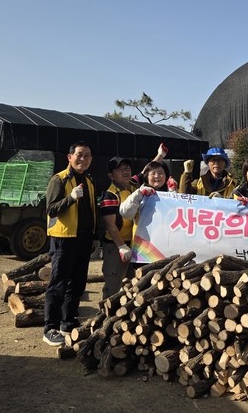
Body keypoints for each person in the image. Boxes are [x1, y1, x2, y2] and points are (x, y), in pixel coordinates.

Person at [42, 141, 98, 347]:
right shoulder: (59, 179)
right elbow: (51, 209)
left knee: (77, 282)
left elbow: (92, 210)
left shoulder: (89, 180)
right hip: (64, 238)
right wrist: (71, 198)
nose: (83, 159)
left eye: (87, 155)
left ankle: (68, 321)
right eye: (79, 155)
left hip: (84, 236)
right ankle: (50, 328)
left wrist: (94, 236)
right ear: (70, 157)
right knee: (58, 282)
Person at [99, 145, 169, 299]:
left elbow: (147, 170)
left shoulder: (133, 184)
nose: (125, 171)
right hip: (116, 245)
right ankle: (106, 311)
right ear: (111, 175)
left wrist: (160, 155)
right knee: (114, 282)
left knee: (132, 282)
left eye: (127, 168)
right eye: (120, 169)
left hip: (135, 243)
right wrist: (121, 246)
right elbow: (110, 225)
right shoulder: (110, 195)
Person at [119, 160, 173, 234]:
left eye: (160, 173)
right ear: (147, 176)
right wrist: (139, 194)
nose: (157, 176)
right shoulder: (140, 193)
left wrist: (173, 193)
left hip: (164, 237)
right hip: (143, 239)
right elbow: (126, 213)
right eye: (153, 173)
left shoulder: (170, 192)